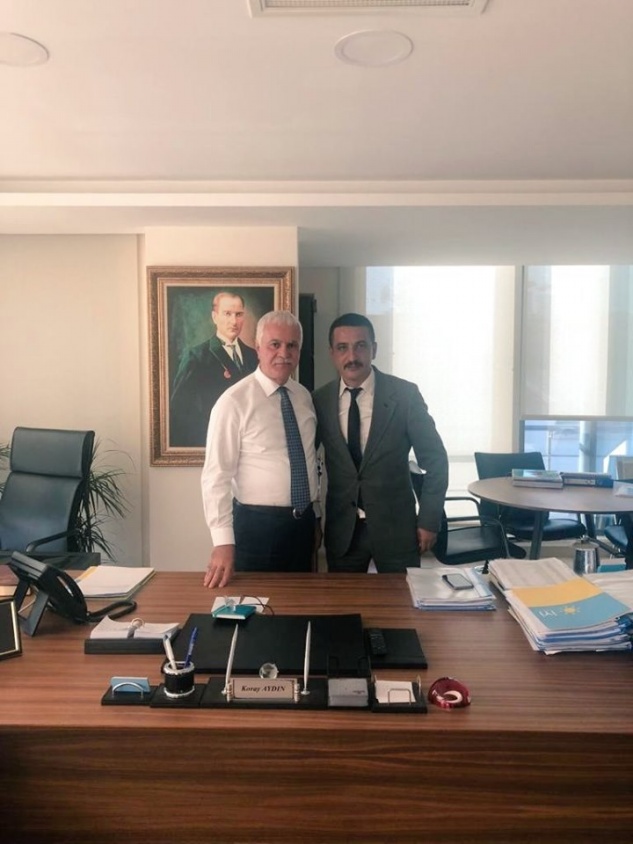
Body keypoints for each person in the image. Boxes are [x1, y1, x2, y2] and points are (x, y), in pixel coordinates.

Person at [312, 312, 448, 573]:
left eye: (360, 346)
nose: (352, 356)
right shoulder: (319, 400)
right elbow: (306, 463)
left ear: (374, 349)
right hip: (343, 532)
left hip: (397, 530)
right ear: (332, 353)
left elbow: (436, 461)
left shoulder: (405, 396)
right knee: (344, 600)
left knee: (401, 599)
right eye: (342, 348)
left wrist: (429, 520)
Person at [202, 310, 320, 589]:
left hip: (302, 527)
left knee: (302, 605)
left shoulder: (304, 397)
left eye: (292, 345)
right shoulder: (234, 402)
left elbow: (311, 461)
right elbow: (215, 476)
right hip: (256, 529)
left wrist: (315, 518)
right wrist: (223, 542)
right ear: (257, 348)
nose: (284, 353)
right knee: (254, 607)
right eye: (274, 344)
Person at [170, 292, 258, 447]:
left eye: (238, 314)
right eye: (227, 314)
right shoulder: (196, 357)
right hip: (212, 441)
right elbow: (180, 410)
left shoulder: (254, 356)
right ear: (214, 317)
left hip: (250, 443)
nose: (234, 321)